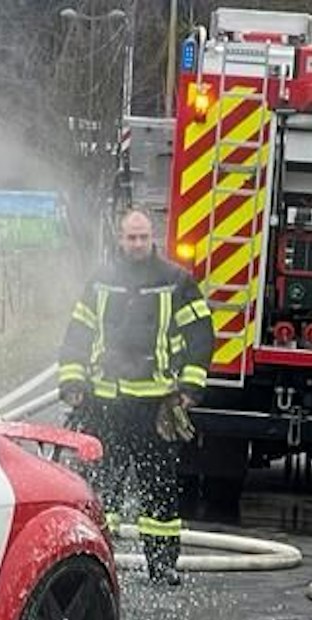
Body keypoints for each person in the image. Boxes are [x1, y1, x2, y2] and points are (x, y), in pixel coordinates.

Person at [56, 208, 212, 584]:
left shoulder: (176, 281)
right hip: (105, 401)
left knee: (157, 487)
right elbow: (79, 331)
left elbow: (201, 335)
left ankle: (162, 567)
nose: (138, 244)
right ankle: (96, 561)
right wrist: (73, 381)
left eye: (143, 237)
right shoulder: (101, 282)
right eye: (131, 238)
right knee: (100, 485)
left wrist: (190, 388)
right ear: (120, 238)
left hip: (153, 404)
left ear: (152, 236)